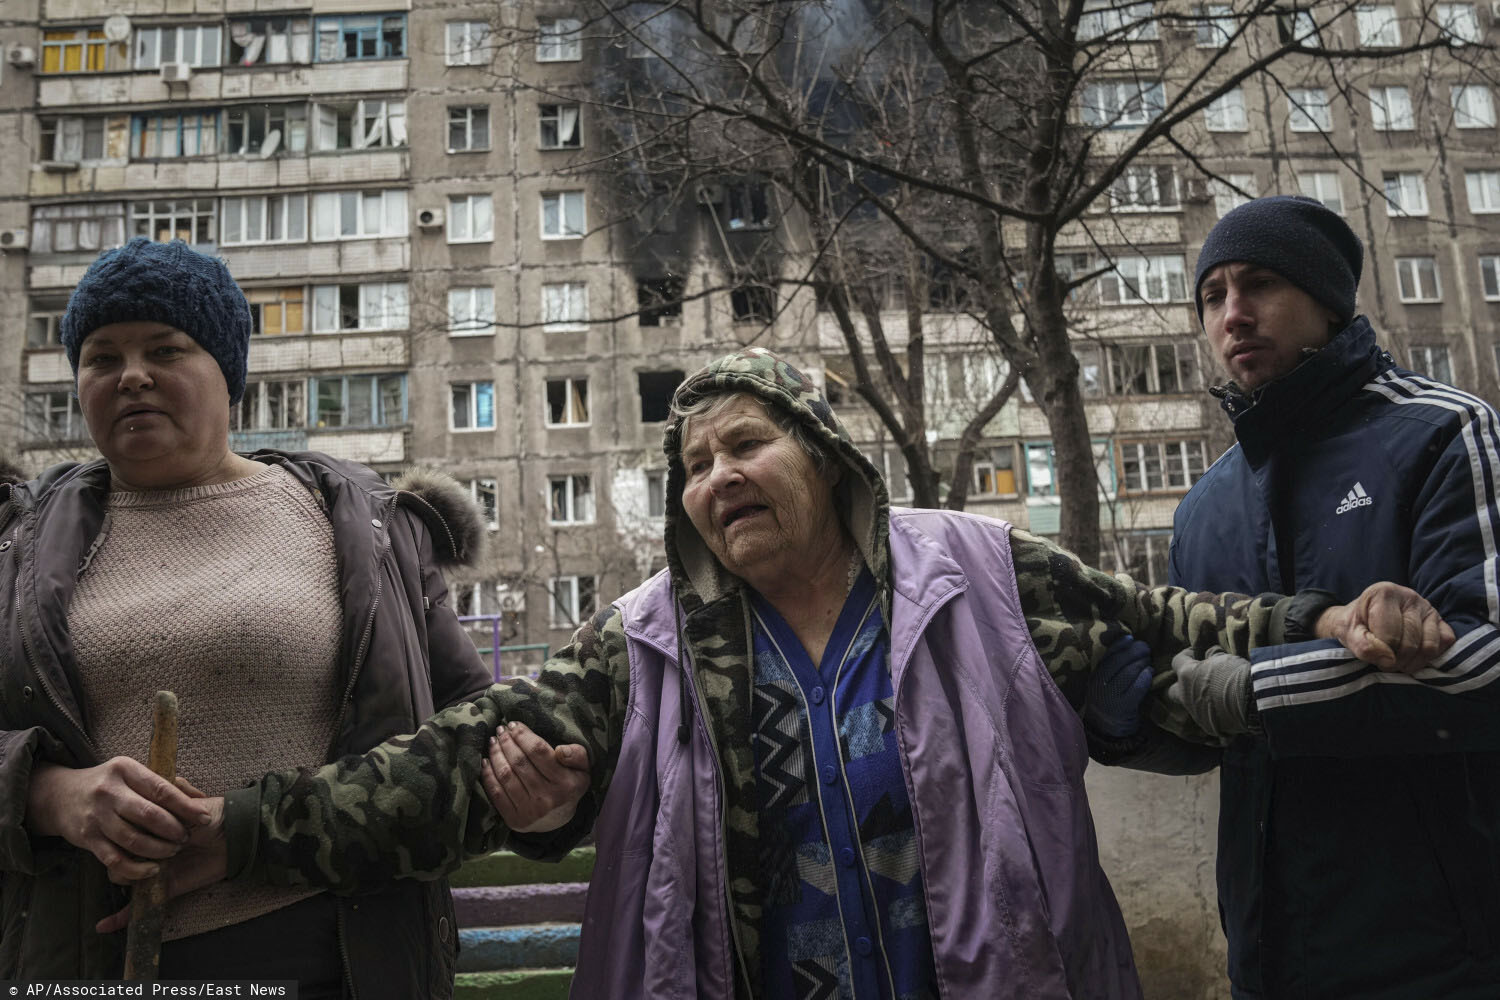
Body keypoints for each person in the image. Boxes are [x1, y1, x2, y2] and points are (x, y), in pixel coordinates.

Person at [139, 346, 1453, 1000]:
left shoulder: (977, 573)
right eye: (693, 465)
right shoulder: (644, 638)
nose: (716, 478)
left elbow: (1163, 626)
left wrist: (1326, 614)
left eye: (745, 444)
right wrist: (243, 830)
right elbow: (440, 775)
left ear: (824, 454)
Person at [0, 238, 585, 994]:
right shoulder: (16, 548)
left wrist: (543, 801)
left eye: (165, 349)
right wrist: (50, 795)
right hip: (85, 963)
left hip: (342, 956)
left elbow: (475, 734)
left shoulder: (365, 528)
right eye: (101, 357)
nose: (132, 375)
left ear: (228, 372)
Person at [1158, 195, 1500, 998]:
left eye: (1260, 284)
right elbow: (1189, 694)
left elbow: (1488, 659)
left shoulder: (1445, 432)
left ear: (1327, 300)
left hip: (1440, 954)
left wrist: (1258, 693)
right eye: (1213, 296)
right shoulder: (1202, 509)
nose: (1234, 315)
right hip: (1265, 958)